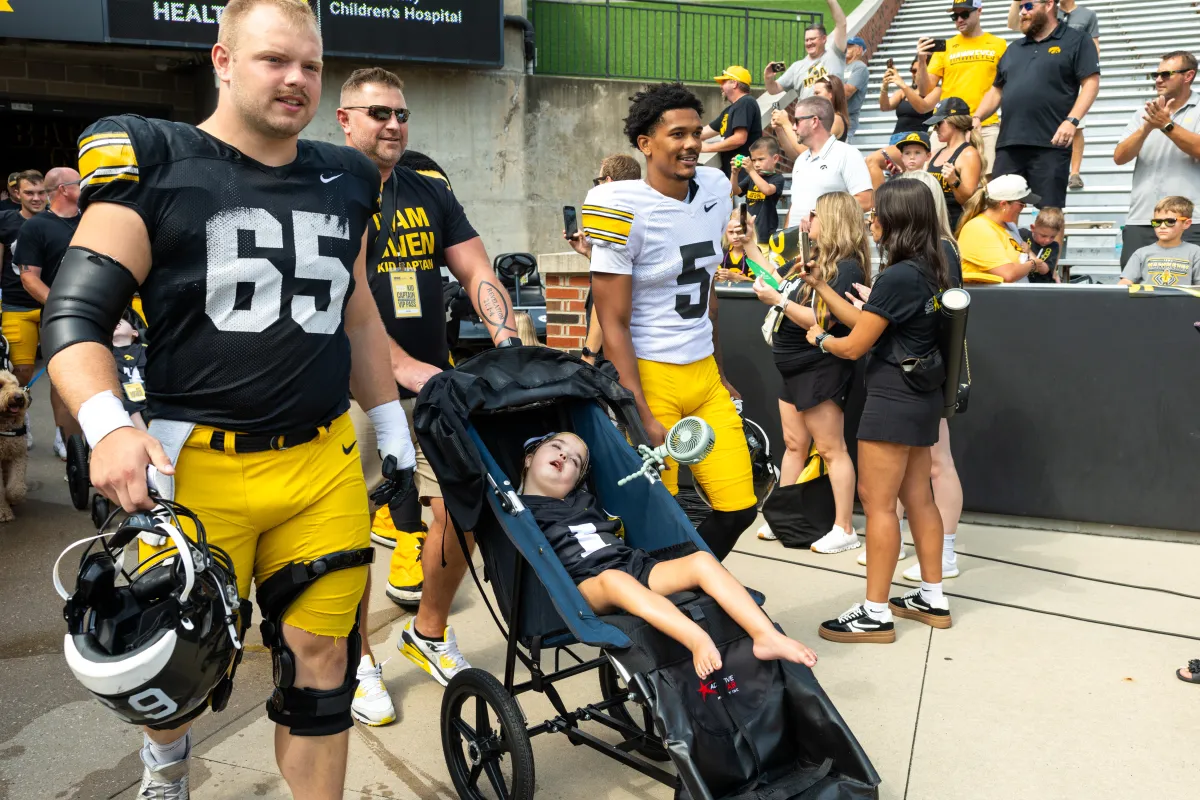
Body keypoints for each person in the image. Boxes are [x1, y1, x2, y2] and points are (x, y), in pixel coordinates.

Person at [43, 2, 418, 797]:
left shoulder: (346, 173)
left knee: (324, 672)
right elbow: (75, 317)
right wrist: (108, 426)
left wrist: (391, 427)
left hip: (321, 462)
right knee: (174, 662)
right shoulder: (158, 163)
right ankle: (166, 763)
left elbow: (354, 308)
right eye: (273, 60)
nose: (295, 80)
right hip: (194, 466)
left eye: (311, 65)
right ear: (221, 59)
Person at [336, 68, 521, 706]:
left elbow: (473, 264)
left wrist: (509, 341)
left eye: (402, 114)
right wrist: (402, 367)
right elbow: (346, 295)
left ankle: (429, 632)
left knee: (461, 502)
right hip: (350, 388)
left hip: (430, 382)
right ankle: (355, 660)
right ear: (345, 119)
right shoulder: (324, 186)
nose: (393, 124)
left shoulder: (427, 188)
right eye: (378, 112)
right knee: (350, 528)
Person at [585, 82, 758, 561]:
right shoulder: (621, 206)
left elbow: (708, 294)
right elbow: (612, 321)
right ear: (645, 144)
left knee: (739, 505)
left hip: (702, 373)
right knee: (652, 521)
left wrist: (720, 371)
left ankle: (687, 591)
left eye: (695, 133)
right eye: (676, 134)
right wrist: (638, 407)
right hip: (650, 374)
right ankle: (647, 613)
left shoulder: (717, 189)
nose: (690, 144)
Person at [519, 432, 817, 678]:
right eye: (556, 448)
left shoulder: (585, 500)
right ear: (529, 458)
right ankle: (696, 638)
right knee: (614, 580)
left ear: (576, 480)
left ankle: (765, 635)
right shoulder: (520, 510)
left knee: (701, 561)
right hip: (584, 585)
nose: (564, 457)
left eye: (574, 461)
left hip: (633, 566)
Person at [799, 180, 954, 643]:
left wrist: (820, 338)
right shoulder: (932, 267)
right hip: (921, 398)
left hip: (892, 399)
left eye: (876, 214)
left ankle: (875, 611)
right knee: (919, 499)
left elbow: (852, 345)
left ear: (894, 220)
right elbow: (870, 324)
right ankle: (932, 595)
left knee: (880, 504)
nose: (872, 221)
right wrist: (823, 287)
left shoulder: (898, 275)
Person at [750, 191, 868, 553]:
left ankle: (844, 527)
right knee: (794, 444)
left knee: (832, 449)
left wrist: (780, 302)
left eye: (814, 214)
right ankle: (784, 516)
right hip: (792, 365)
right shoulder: (814, 257)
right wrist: (749, 245)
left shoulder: (847, 267)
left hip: (819, 366)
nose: (807, 220)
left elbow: (821, 319)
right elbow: (775, 281)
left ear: (832, 220)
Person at [875, 170, 965, 579]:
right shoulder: (931, 251)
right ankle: (913, 547)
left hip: (924, 372)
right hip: (923, 371)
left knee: (936, 463)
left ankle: (944, 551)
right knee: (911, 474)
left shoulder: (940, 250)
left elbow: (942, 317)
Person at [973, 0, 1100, 211]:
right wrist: (977, 116)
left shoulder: (1077, 40)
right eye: (1021, 7)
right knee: (997, 208)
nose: (1022, 12)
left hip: (1050, 143)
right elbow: (997, 90)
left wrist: (1072, 121)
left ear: (1049, 4)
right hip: (1009, 144)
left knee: (1049, 214)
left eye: (1028, 6)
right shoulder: (1014, 48)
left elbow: (1091, 83)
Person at [14, 166, 84, 458]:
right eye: (80, 183)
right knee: (64, 377)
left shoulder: (93, 220)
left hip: (103, 312)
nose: (86, 187)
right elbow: (29, 277)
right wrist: (61, 305)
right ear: (64, 189)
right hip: (60, 316)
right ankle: (66, 437)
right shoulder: (36, 227)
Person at [1112, 51, 1200, 266]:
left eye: (1166, 74)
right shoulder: (1143, 112)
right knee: (1133, 292)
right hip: (1142, 219)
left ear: (1188, 76)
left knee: (1189, 295)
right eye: (1156, 74)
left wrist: (1166, 125)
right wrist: (1147, 127)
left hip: (1191, 222)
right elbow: (1120, 157)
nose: (1158, 79)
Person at [1008, 0, 1099, 190]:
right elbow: (1013, 24)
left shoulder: (1087, 15)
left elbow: (1094, 45)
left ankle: (1074, 172)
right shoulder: (1042, 13)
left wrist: (1085, 65)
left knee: (1077, 124)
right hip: (1048, 71)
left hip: (1073, 73)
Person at [566, 155, 642, 366]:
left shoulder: (610, 219)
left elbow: (606, 298)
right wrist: (590, 254)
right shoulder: (642, 214)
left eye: (597, 181)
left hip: (613, 350)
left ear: (607, 182)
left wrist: (588, 355)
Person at [917, 0, 1007, 173]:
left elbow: (1004, 86)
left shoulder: (999, 44)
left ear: (979, 11)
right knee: (938, 180)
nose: (959, 19)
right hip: (947, 125)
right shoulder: (946, 47)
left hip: (985, 125)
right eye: (954, 16)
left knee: (987, 183)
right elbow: (924, 90)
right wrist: (921, 61)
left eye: (964, 14)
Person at [0, 169, 46, 451]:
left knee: (64, 371)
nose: (37, 198)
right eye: (30, 192)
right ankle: (21, 425)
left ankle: (64, 436)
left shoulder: (61, 221)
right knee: (22, 372)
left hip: (52, 303)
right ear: (17, 193)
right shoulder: (5, 222)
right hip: (16, 305)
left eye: (41, 192)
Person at [785, 96, 873, 228]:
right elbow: (795, 206)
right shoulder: (800, 160)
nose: (793, 127)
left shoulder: (847, 154)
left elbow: (866, 201)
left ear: (814, 121)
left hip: (831, 246)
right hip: (797, 245)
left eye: (797, 121)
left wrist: (819, 216)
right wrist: (786, 239)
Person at [957, 175, 1054, 283]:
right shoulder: (978, 228)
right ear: (1003, 204)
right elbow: (1008, 274)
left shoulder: (1008, 226)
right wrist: (1033, 264)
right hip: (989, 298)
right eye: (1021, 203)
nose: (1024, 207)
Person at [764, 0, 849, 99]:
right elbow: (773, 89)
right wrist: (768, 78)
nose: (809, 43)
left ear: (824, 39)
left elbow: (841, 24)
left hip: (831, 113)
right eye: (806, 40)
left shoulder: (835, 55)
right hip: (806, 113)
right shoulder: (796, 67)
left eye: (812, 39)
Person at [924, 97, 984, 230]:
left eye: (939, 123)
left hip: (954, 225)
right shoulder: (935, 153)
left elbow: (968, 202)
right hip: (933, 222)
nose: (935, 128)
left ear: (954, 123)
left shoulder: (969, 154)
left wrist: (954, 181)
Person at [1118, 196, 1200, 286]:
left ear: (1186, 223)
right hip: (1148, 300)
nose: (1162, 226)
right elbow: (1125, 282)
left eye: (1170, 221)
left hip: (1182, 300)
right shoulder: (1141, 253)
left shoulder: (1195, 253)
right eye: (1157, 222)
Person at [701, 66, 763, 176]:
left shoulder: (746, 102)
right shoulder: (729, 110)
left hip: (744, 177)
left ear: (734, 83)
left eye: (724, 82)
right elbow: (703, 132)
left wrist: (707, 148)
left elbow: (739, 139)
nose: (721, 87)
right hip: (735, 176)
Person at [730, 137, 785, 244]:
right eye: (753, 160)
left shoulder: (777, 178)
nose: (756, 164)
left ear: (775, 159)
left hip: (765, 234)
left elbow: (767, 190)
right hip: (747, 230)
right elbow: (735, 191)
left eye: (760, 159)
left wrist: (751, 171)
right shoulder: (751, 177)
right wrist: (734, 173)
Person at [880, 58, 937, 145]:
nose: (916, 74)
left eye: (920, 71)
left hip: (917, 138)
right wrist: (884, 87)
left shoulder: (936, 91)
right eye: (913, 71)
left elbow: (922, 107)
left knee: (873, 159)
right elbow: (884, 107)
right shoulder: (903, 93)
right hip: (896, 138)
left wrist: (902, 84)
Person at [865, 130, 933, 191]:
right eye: (907, 153)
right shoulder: (897, 180)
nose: (912, 157)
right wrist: (897, 178)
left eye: (917, 153)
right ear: (901, 157)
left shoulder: (930, 181)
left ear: (928, 156)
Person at [1020, 206, 1064, 283]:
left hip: (1041, 286)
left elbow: (1044, 269)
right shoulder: (1022, 234)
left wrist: (1029, 252)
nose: (1047, 240)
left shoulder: (1054, 246)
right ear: (1033, 228)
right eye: (1043, 236)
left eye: (1052, 237)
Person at [843, 36, 871, 141]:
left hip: (847, 119)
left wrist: (831, 83)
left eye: (850, 46)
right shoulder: (840, 66)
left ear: (859, 50)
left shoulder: (860, 67)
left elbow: (847, 92)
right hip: (834, 117)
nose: (846, 49)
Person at [814, 76, 851, 142]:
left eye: (817, 93)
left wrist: (788, 125)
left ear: (831, 94)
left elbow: (813, 149)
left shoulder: (835, 120)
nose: (813, 97)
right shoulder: (828, 118)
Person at [716, 216, 751, 283]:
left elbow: (758, 281)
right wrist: (716, 275)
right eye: (731, 232)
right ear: (725, 232)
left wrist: (735, 276)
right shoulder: (721, 250)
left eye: (739, 232)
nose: (735, 237)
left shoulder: (753, 253)